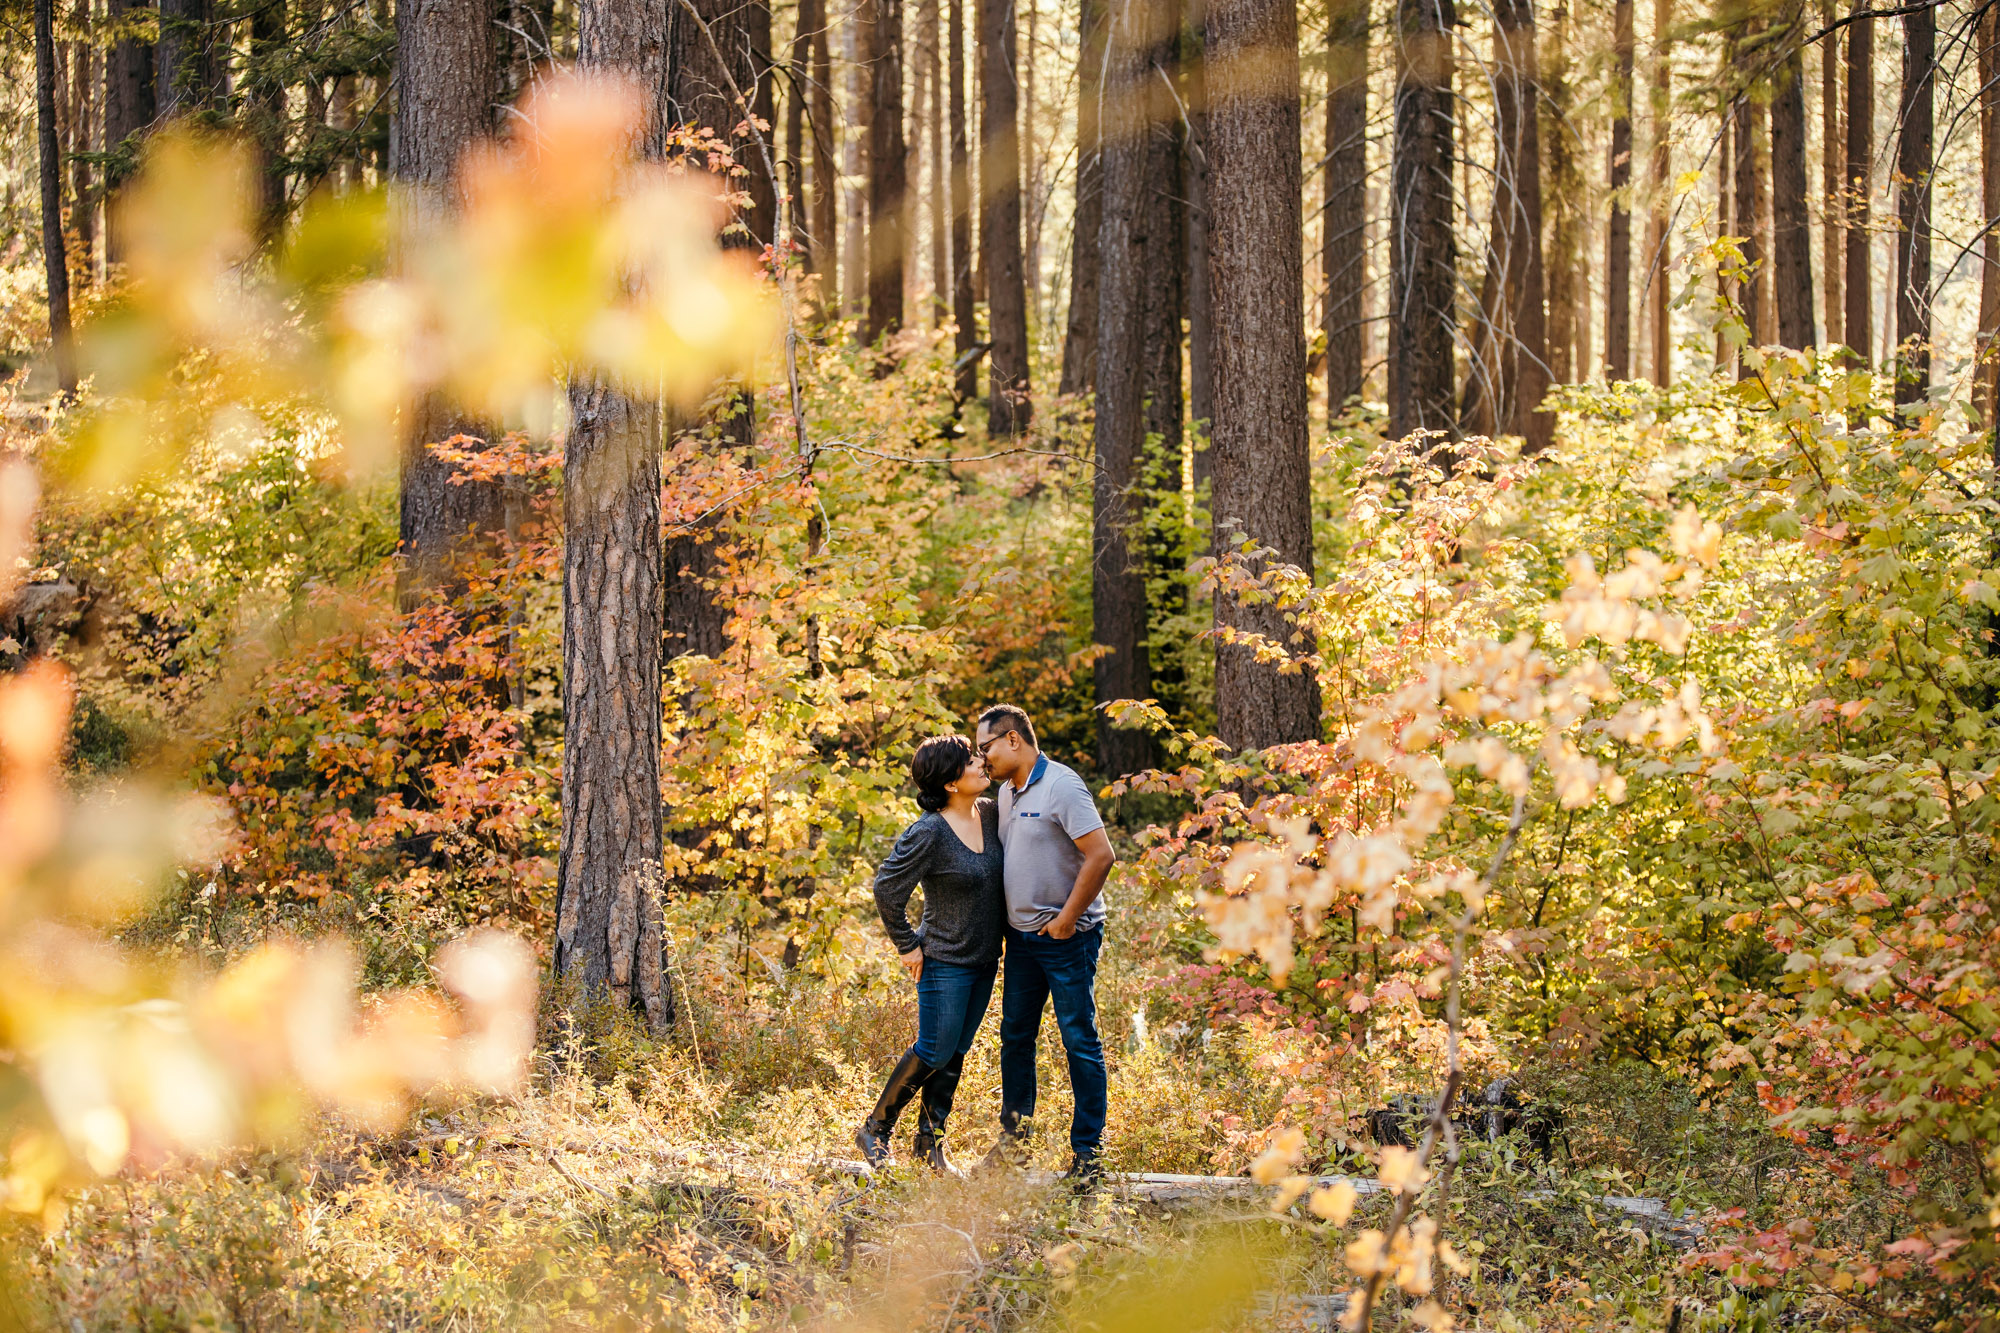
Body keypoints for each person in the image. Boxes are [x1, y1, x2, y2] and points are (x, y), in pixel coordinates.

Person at [972, 704, 1117, 1187]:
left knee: (1078, 1038)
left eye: (985, 747)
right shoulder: (1008, 794)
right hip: (1022, 943)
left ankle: (1088, 1156)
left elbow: (1101, 855)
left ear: (1012, 739)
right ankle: (1015, 1145)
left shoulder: (1063, 785)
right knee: (1015, 1036)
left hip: (1066, 939)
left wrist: (1065, 921)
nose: (982, 757)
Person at [857, 734, 1007, 1172]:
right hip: (944, 960)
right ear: (949, 783)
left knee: (956, 1052)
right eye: (970, 761)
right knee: (936, 1049)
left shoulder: (992, 814)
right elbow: (887, 890)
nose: (982, 763)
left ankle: (929, 1146)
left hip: (984, 961)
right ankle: (876, 1128)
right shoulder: (929, 833)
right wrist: (907, 945)